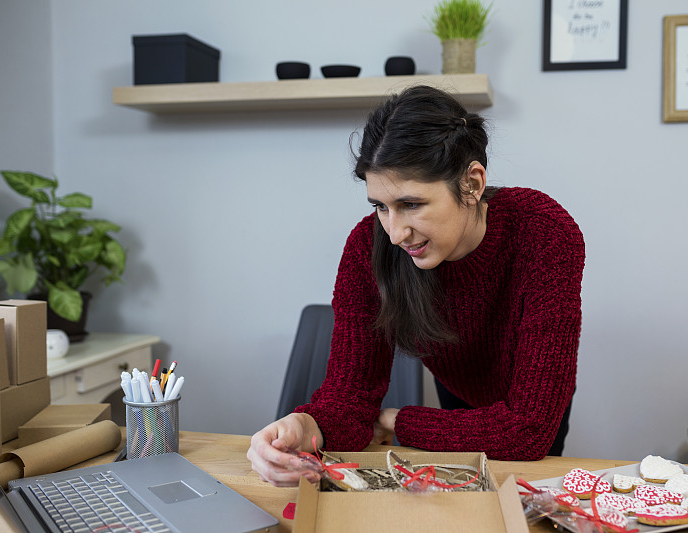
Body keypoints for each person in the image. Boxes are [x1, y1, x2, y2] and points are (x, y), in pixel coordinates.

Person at [247, 85, 585, 487]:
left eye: (411, 204)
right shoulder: (367, 247)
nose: (394, 232)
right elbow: (348, 397)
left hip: (533, 405)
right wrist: (306, 424)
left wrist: (396, 421)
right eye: (380, 207)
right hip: (457, 394)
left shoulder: (544, 232)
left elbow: (528, 430)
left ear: (472, 184)